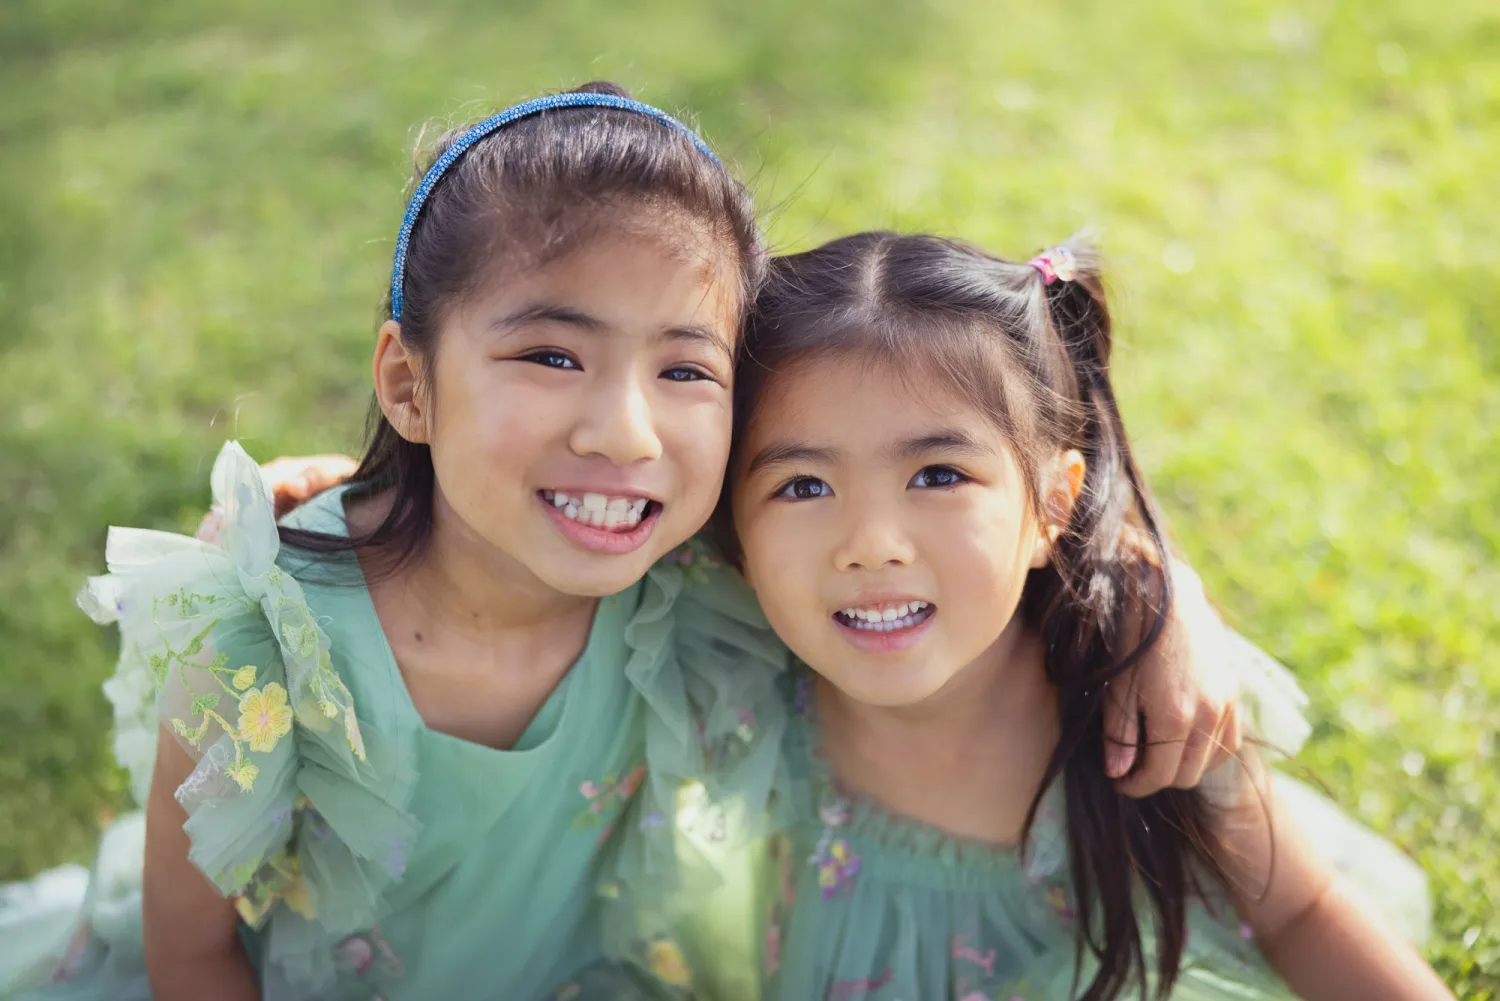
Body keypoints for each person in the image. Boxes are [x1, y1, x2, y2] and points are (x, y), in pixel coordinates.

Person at [1, 88, 1248, 1001]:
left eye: (686, 368)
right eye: (551, 354)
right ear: (409, 382)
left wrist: (1148, 581)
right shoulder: (263, 636)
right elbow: (193, 950)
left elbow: (947, 489)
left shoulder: (681, 582)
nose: (623, 428)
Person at [627, 232, 1446, 1000]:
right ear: (730, 528)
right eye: (803, 486)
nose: (870, 545)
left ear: (1054, 504)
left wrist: (1155, 597)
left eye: (938, 474)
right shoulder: (740, 652)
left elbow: (1301, 913)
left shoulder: (1138, 703)